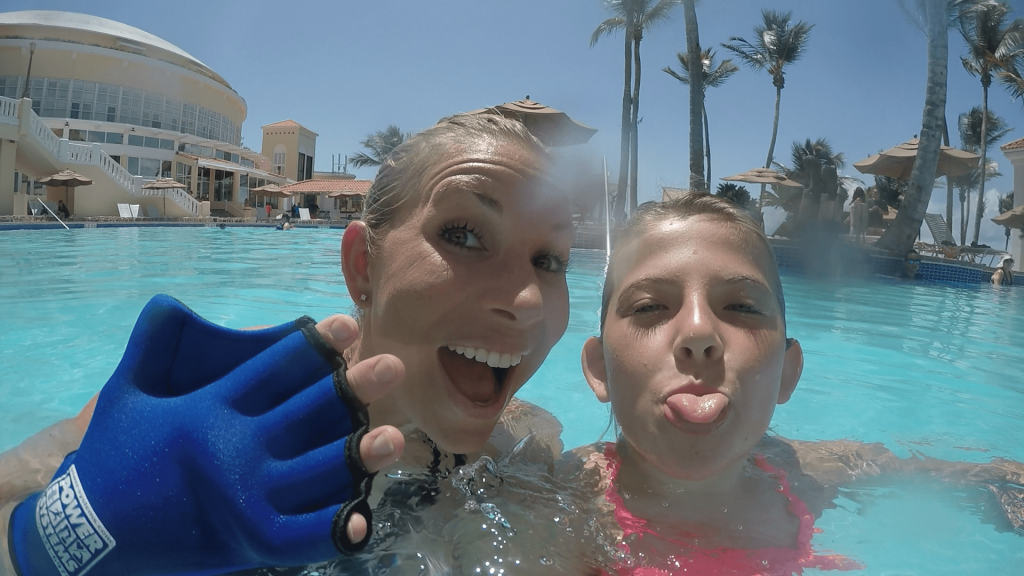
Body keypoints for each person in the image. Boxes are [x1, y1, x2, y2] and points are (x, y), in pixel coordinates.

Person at [0, 114, 574, 575]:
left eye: (549, 260)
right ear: (362, 266)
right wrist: (51, 542)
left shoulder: (527, 445)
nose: (527, 302)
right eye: (466, 235)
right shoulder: (217, 393)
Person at [560, 194, 1024, 575]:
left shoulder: (805, 471)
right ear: (600, 369)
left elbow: (930, 471)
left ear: (787, 371)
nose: (698, 332)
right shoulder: (557, 498)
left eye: (741, 307)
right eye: (648, 307)